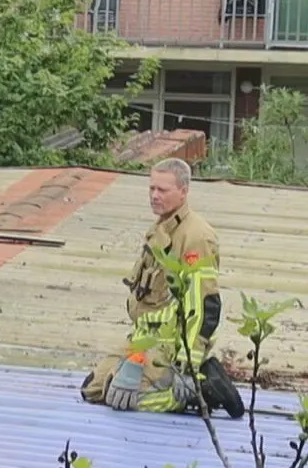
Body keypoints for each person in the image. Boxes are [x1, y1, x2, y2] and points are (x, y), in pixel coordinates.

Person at [80, 158, 243, 418]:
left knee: (120, 397)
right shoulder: (160, 227)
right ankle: (170, 381)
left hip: (172, 346)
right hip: (144, 338)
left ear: (183, 191)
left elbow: (204, 308)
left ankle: (202, 386)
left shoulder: (196, 237)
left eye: (163, 190)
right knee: (92, 388)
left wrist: (188, 368)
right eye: (151, 189)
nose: (154, 196)